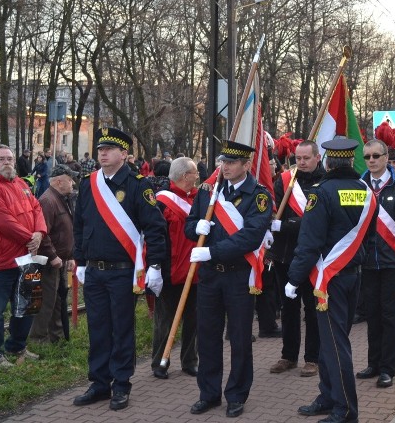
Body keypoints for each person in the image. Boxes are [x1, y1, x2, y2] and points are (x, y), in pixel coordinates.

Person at [72, 127, 167, 411]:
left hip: (124, 271)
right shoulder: (89, 184)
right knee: (98, 328)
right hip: (95, 271)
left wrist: (155, 266)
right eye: (100, 149)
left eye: (109, 149)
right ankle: (100, 383)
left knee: (122, 329)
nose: (102, 153)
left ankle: (121, 385)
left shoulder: (139, 185)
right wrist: (79, 261)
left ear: (124, 154)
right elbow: (80, 226)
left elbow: (155, 228)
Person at [286, 138, 376, 423]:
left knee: (335, 345)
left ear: (327, 162)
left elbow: (309, 242)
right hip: (353, 274)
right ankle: (328, 396)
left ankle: (346, 409)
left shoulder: (321, 193)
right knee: (332, 342)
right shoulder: (365, 190)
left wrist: (293, 278)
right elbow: (370, 235)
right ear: (351, 161)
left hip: (329, 280)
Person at [184, 140, 272, 419]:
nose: (226, 167)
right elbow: (190, 225)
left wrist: (211, 251)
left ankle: (236, 394)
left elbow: (250, 237)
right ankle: (208, 394)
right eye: (223, 162)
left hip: (238, 276)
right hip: (210, 278)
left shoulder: (258, 196)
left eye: (232, 163)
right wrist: (194, 228)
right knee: (208, 337)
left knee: (239, 338)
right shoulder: (208, 192)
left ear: (246, 165)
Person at [0, 144, 47, 367]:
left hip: (25, 257)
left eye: (10, 158)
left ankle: (17, 345)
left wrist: (40, 233)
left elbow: (36, 208)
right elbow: (2, 222)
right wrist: (30, 238)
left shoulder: (21, 183)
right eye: (2, 159)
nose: (7, 162)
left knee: (26, 306)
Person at [355, 139, 395, 389]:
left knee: (391, 317)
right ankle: (373, 363)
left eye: (375, 156)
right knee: (372, 315)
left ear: (386, 157)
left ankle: (387, 369)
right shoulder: (359, 187)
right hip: (368, 263)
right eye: (367, 156)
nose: (371, 160)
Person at [267, 140, 324, 378]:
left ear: (317, 157)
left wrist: (287, 225)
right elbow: (273, 215)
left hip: (313, 257)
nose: (300, 162)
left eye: (306, 158)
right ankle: (288, 355)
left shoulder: (326, 183)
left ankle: (312, 358)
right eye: (297, 158)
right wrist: (279, 225)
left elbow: (319, 223)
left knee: (312, 309)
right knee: (288, 308)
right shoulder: (284, 181)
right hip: (285, 255)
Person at [150, 156, 200, 380]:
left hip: (194, 271)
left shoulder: (198, 200)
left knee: (193, 319)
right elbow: (153, 237)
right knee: (165, 320)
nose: (197, 177)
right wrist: (155, 267)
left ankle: (190, 361)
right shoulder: (161, 201)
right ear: (184, 176)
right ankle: (160, 362)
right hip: (169, 271)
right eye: (194, 173)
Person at [29, 164, 77, 344]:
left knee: (57, 301)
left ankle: (55, 337)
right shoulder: (48, 201)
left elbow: (67, 230)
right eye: (70, 179)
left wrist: (70, 256)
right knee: (46, 302)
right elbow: (43, 233)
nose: (72, 183)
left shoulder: (61, 198)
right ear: (59, 181)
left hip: (61, 260)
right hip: (51, 262)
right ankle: (38, 339)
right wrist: (53, 256)